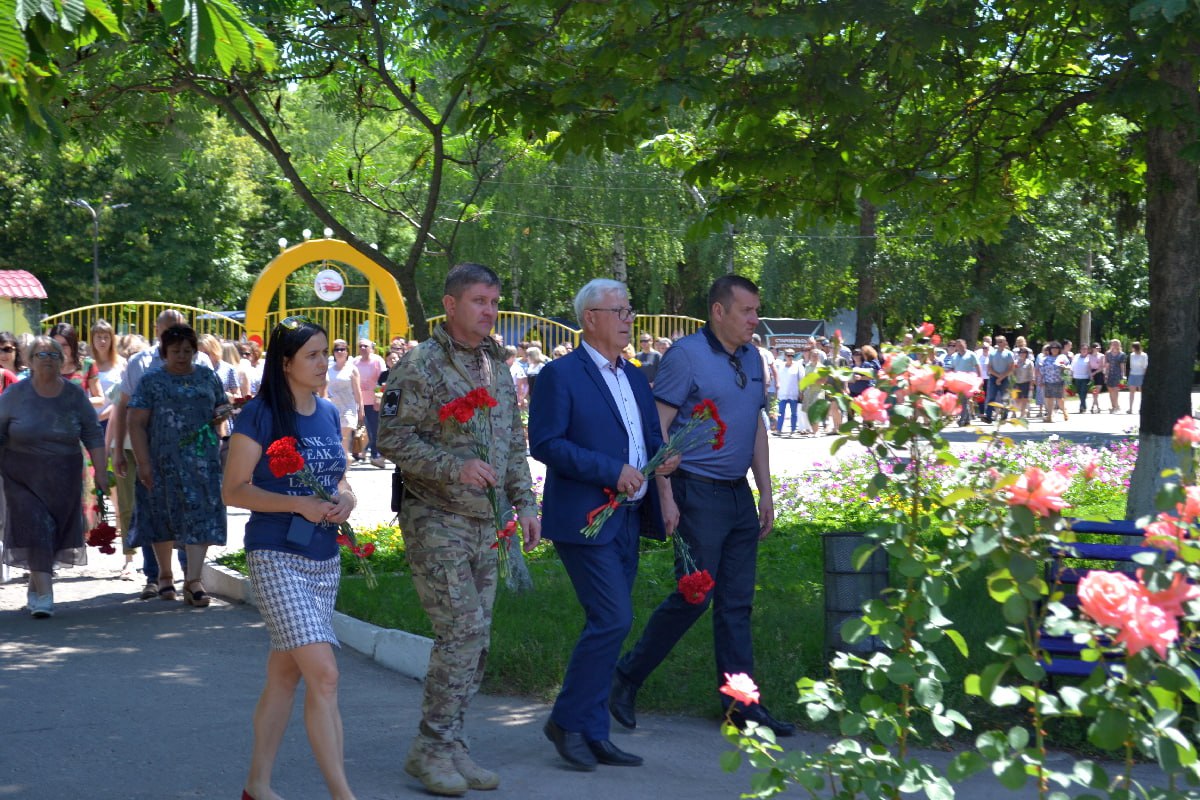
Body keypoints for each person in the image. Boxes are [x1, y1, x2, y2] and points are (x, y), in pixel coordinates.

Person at [377, 263, 541, 796]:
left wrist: (526, 504)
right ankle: (430, 748)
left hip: (485, 522)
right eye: (478, 301)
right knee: (461, 631)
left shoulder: (496, 362)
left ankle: (451, 743)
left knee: (478, 639)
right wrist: (454, 467)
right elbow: (392, 439)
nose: (489, 312)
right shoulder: (420, 366)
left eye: (494, 302)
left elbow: (511, 441)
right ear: (450, 305)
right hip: (436, 516)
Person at [610, 275, 795, 737]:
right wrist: (666, 495)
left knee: (736, 605)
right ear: (718, 311)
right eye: (747, 311)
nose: (756, 319)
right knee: (696, 596)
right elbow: (658, 429)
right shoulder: (685, 357)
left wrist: (764, 490)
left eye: (757, 310)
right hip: (696, 492)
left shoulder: (752, 357)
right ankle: (625, 678)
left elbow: (754, 425)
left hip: (736, 496)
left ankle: (741, 708)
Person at [529, 279, 677, 771]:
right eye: (619, 310)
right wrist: (609, 470)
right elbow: (546, 443)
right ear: (590, 318)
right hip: (584, 519)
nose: (629, 318)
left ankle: (594, 733)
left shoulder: (634, 375)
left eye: (629, 309)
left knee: (608, 624)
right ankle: (566, 722)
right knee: (613, 618)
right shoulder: (559, 375)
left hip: (629, 518)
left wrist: (664, 472)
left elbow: (649, 436)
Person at [222, 316, 359, 800]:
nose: (325, 363)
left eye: (327, 353)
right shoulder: (259, 414)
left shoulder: (327, 412)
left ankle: (257, 785)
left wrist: (346, 498)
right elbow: (234, 489)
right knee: (324, 673)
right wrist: (297, 503)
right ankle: (344, 795)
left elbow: (339, 476)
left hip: (323, 559)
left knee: (285, 675)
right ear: (285, 363)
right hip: (275, 556)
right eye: (313, 355)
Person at [0, 336, 107, 618]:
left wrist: (103, 474)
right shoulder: (15, 395)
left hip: (63, 474)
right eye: (40, 354)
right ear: (30, 361)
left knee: (52, 531)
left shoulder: (73, 395)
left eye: (53, 354)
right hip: (20, 474)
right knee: (35, 524)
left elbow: (93, 433)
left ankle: (36, 586)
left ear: (62, 361)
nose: (47, 358)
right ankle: (46, 596)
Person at [128, 324, 227, 605]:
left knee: (202, 516)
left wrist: (223, 413)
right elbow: (135, 422)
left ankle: (193, 581)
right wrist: (143, 462)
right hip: (161, 460)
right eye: (175, 351)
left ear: (195, 351)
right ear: (164, 352)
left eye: (187, 350)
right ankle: (165, 576)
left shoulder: (208, 376)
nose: (181, 356)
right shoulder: (151, 381)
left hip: (202, 461)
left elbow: (219, 406)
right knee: (162, 515)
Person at [111, 309, 198, 600]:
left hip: (188, 451)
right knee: (150, 508)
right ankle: (155, 577)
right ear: (157, 331)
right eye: (167, 331)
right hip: (145, 448)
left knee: (187, 510)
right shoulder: (140, 362)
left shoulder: (198, 359)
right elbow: (123, 407)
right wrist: (117, 449)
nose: (174, 336)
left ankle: (189, 576)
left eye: (179, 329)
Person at [326, 338, 365, 459]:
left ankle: (344, 462)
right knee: (335, 438)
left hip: (348, 408)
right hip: (333, 409)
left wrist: (361, 409)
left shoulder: (352, 369)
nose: (340, 352)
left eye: (342, 349)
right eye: (337, 349)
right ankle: (341, 461)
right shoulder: (328, 370)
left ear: (347, 352)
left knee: (344, 437)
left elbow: (357, 391)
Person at [353, 338, 386, 467]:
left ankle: (375, 455)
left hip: (373, 401)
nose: (362, 348)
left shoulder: (378, 361)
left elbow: (382, 381)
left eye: (365, 346)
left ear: (371, 348)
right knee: (360, 429)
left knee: (374, 429)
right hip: (359, 401)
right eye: (360, 346)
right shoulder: (355, 362)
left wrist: (378, 398)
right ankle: (358, 453)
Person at [946, 339, 980, 426]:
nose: (960, 347)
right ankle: (967, 419)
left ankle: (962, 419)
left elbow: (977, 366)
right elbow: (952, 368)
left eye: (961, 345)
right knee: (962, 401)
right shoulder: (954, 356)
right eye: (957, 345)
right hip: (958, 382)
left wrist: (979, 379)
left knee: (964, 400)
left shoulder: (971, 354)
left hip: (968, 381)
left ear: (965, 345)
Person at [983, 335, 1015, 423]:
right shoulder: (992, 354)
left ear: (1005, 342)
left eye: (1001, 341)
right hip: (993, 378)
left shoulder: (1009, 354)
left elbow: (1011, 368)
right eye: (998, 342)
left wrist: (1001, 378)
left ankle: (1004, 416)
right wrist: (997, 377)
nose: (999, 343)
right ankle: (988, 416)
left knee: (1004, 398)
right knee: (991, 397)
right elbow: (989, 368)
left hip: (1005, 378)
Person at [774, 349, 802, 436]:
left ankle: (793, 430)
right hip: (782, 393)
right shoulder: (780, 366)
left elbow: (801, 379)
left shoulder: (798, 366)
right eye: (788, 355)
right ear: (785, 356)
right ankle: (779, 430)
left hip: (794, 393)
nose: (790, 357)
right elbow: (777, 379)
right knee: (781, 412)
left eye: (792, 355)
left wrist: (801, 392)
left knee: (794, 413)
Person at [1040, 342, 1069, 423]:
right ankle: (1049, 416)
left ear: (1059, 349)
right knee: (1049, 399)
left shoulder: (1062, 357)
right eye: (1053, 348)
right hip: (1048, 381)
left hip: (1059, 381)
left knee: (1059, 399)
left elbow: (1069, 368)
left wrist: (1065, 368)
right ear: (1050, 350)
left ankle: (1064, 411)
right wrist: (1041, 380)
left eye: (1056, 348)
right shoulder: (1046, 359)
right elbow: (1042, 371)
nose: (1054, 350)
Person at [1011, 347, 1035, 419]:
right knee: (1016, 399)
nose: (1022, 354)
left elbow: (1032, 374)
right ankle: (1015, 412)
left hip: (1026, 382)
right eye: (1021, 353)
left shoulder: (1029, 363)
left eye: (1024, 353)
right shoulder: (1015, 362)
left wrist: (1031, 384)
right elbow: (1013, 373)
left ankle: (1022, 414)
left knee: (1024, 399)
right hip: (1017, 383)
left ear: (1026, 354)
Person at [1104, 339, 1127, 413]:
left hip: (1117, 374)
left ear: (1119, 345)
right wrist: (1106, 374)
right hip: (1110, 374)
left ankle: (1115, 407)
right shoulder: (1108, 353)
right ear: (1111, 344)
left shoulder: (1122, 354)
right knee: (1110, 390)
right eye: (1114, 343)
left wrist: (1123, 375)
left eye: (1117, 344)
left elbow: (1122, 365)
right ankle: (1114, 406)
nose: (1115, 345)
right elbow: (1107, 364)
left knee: (1116, 390)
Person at [1070, 347, 1092, 414]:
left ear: (1087, 350)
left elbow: (1090, 367)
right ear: (1080, 350)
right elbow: (1072, 366)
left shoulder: (1089, 357)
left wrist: (1091, 376)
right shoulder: (1076, 356)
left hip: (1085, 378)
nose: (1084, 350)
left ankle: (1082, 406)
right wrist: (1070, 375)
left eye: (1085, 349)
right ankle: (1083, 405)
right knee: (1079, 392)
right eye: (1082, 349)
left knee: (1083, 392)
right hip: (1076, 377)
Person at [1127, 341, 1147, 414]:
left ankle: (1141, 408)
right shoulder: (1132, 355)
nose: (1131, 348)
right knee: (1131, 392)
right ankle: (1130, 408)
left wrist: (1144, 376)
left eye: (1132, 347)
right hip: (1133, 374)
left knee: (1142, 393)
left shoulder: (1144, 355)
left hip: (1141, 374)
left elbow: (1145, 366)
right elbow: (1131, 366)